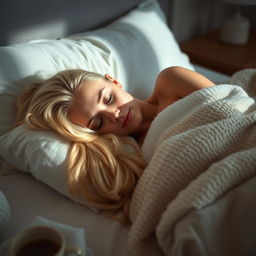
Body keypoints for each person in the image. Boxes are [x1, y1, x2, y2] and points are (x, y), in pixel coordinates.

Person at [16, 66, 214, 222]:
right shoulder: (136, 155)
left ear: (114, 81)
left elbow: (235, 107)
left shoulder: (171, 81)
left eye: (108, 98)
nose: (114, 115)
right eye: (98, 122)